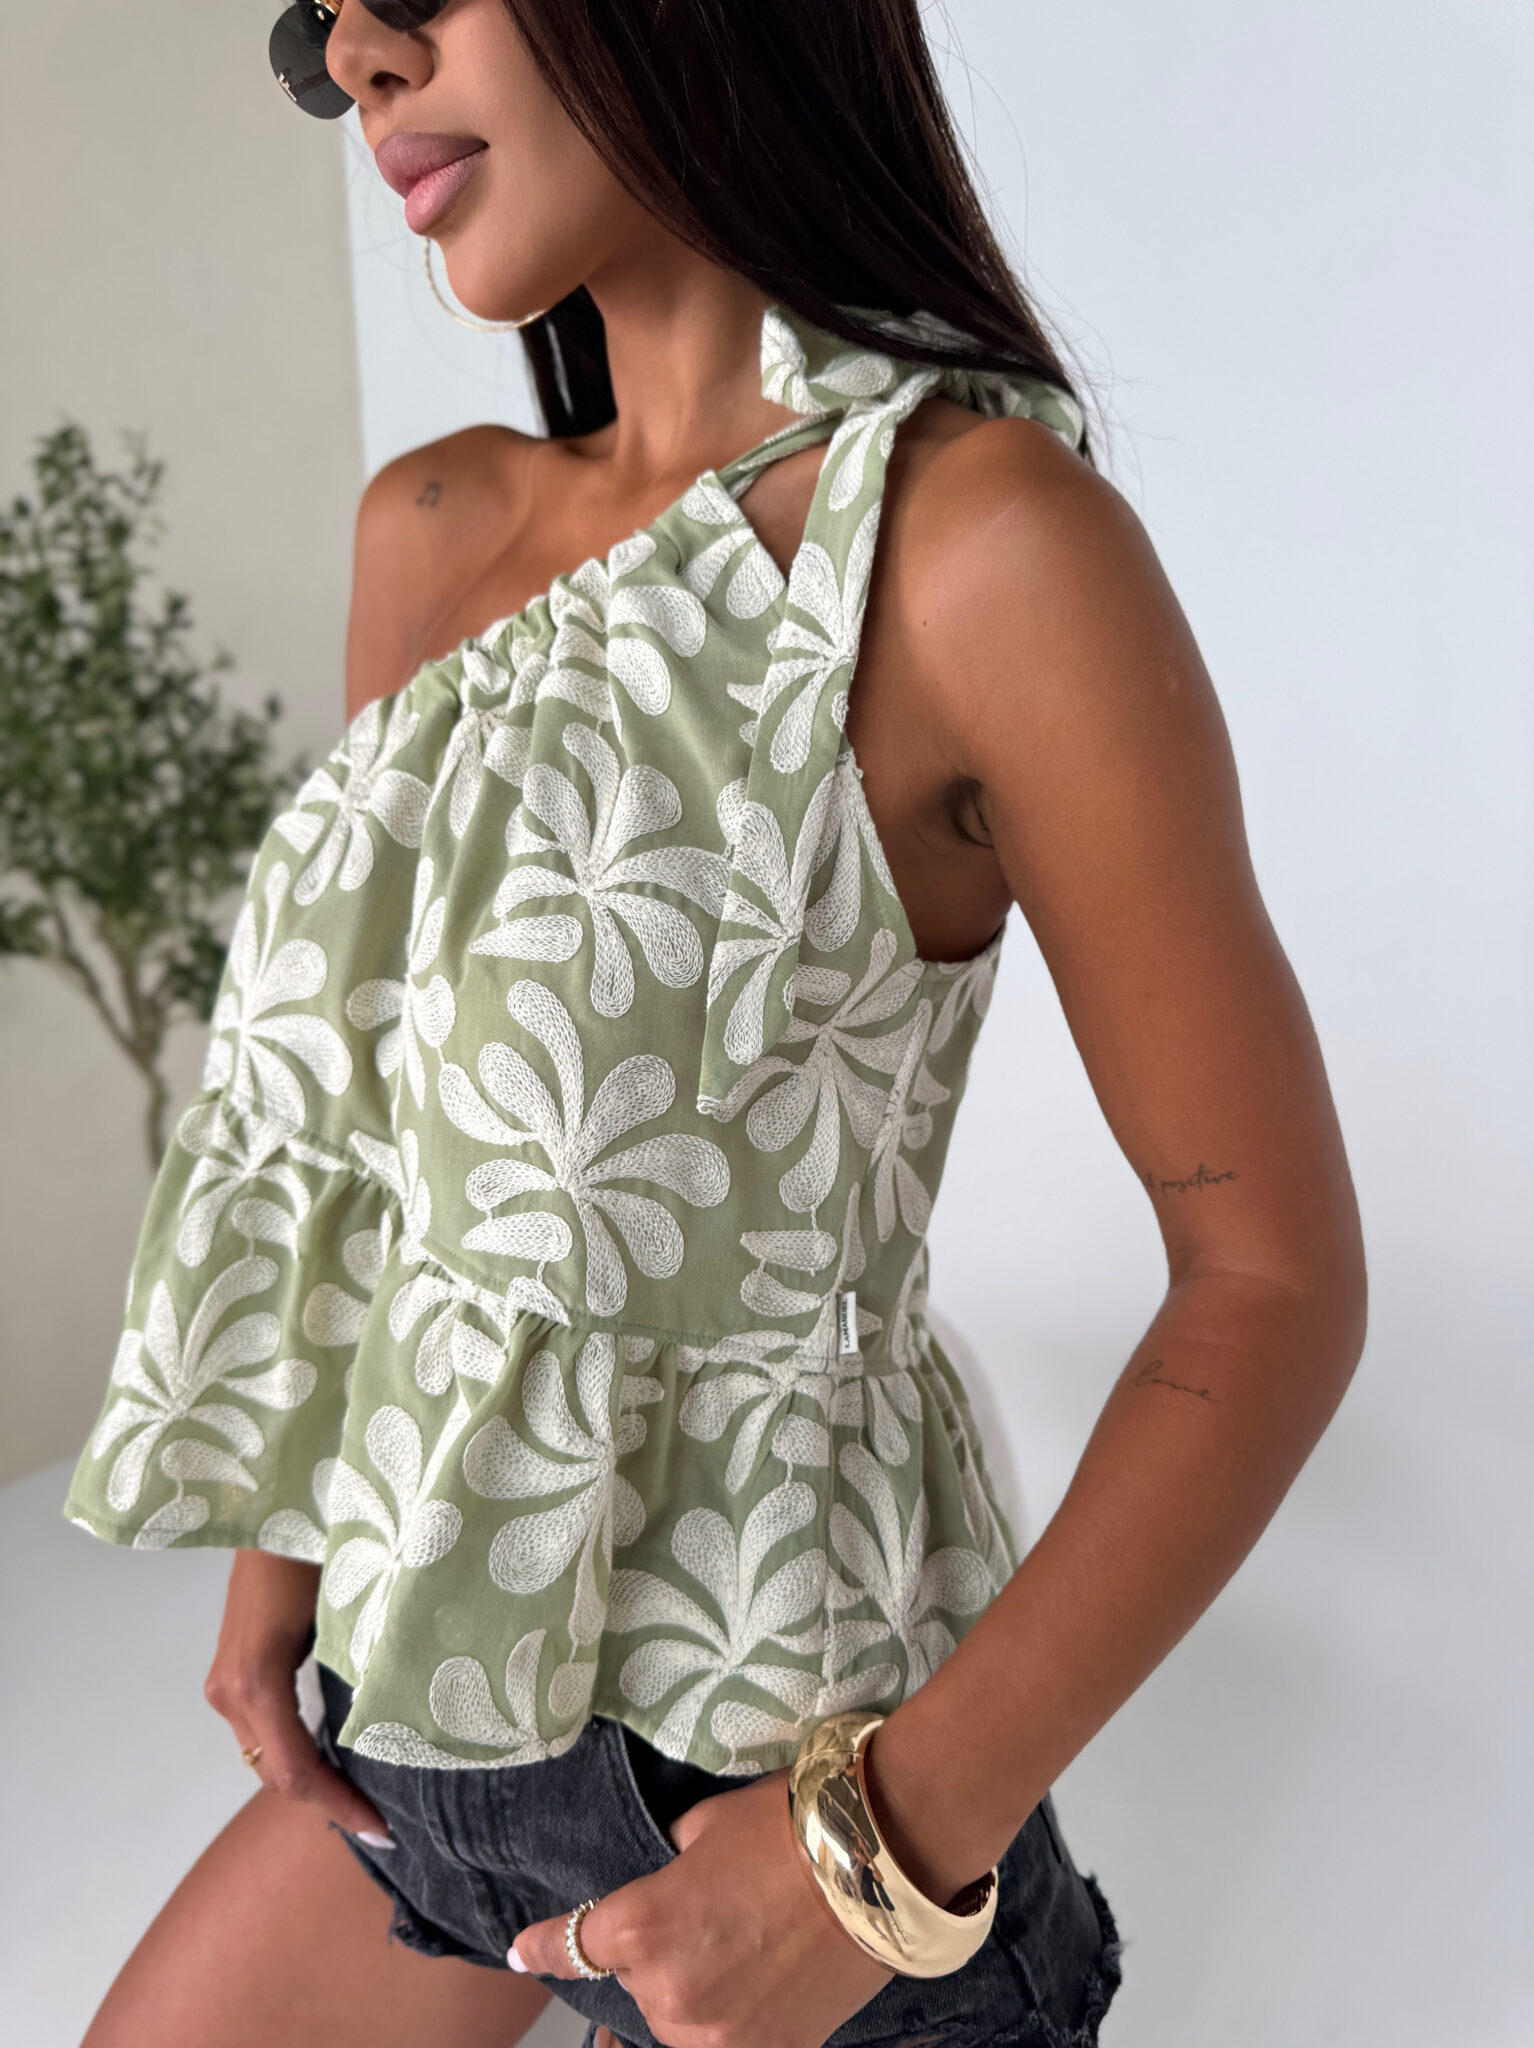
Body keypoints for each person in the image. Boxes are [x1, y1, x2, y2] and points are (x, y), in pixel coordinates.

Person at [67, 3, 1367, 2045]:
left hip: (790, 1786)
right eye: (321, 23)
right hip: (418, 1716)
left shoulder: (977, 549)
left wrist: (871, 1853)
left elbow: (1272, 1280)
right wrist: (283, 1560)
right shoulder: (430, 532)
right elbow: (386, 1120)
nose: (363, 59)